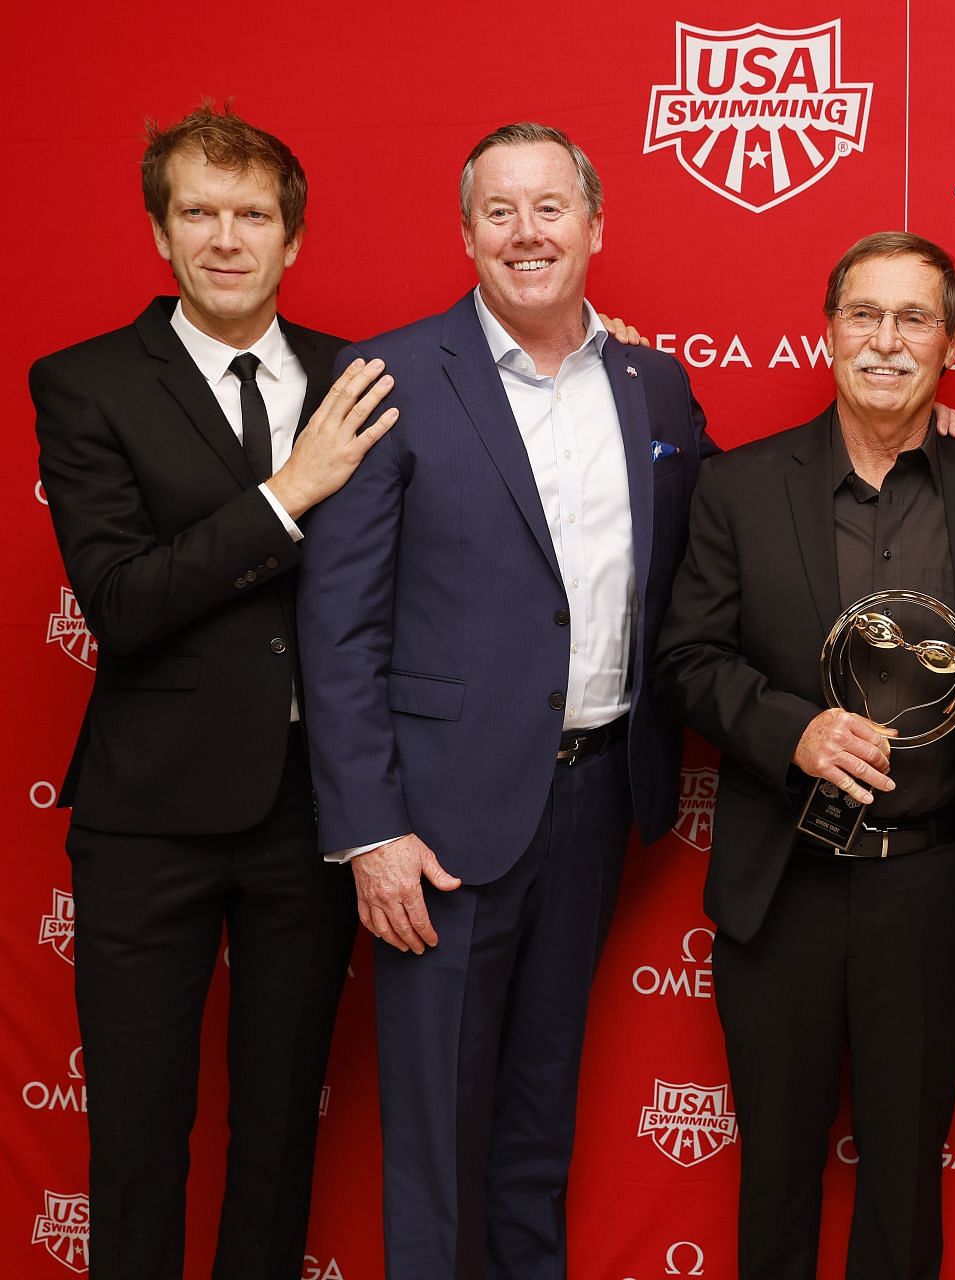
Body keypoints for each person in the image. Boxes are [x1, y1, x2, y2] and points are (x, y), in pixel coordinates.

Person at [295, 122, 715, 1276]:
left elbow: (738, 530)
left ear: (594, 225)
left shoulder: (655, 383)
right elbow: (337, 625)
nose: (527, 233)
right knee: (434, 1139)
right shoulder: (385, 377)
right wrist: (371, 830)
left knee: (536, 1130)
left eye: (550, 208)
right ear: (467, 232)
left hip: (592, 803)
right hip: (433, 823)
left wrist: (914, 429)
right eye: (500, 211)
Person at [29, 102, 396, 1279]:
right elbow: (123, 601)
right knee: (137, 1136)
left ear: (293, 238)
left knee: (283, 1126)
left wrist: (599, 355)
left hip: (311, 812)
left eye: (252, 215)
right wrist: (291, 490)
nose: (226, 238)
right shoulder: (84, 384)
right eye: (199, 213)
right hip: (148, 817)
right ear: (160, 234)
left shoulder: (360, 376)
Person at [656, 232, 955, 1280]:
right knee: (775, 1175)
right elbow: (685, 656)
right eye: (864, 314)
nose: (886, 341)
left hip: (930, 879)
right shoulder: (740, 485)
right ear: (827, 331)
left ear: (950, 341)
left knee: (906, 1188)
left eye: (914, 319)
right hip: (786, 885)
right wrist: (792, 729)